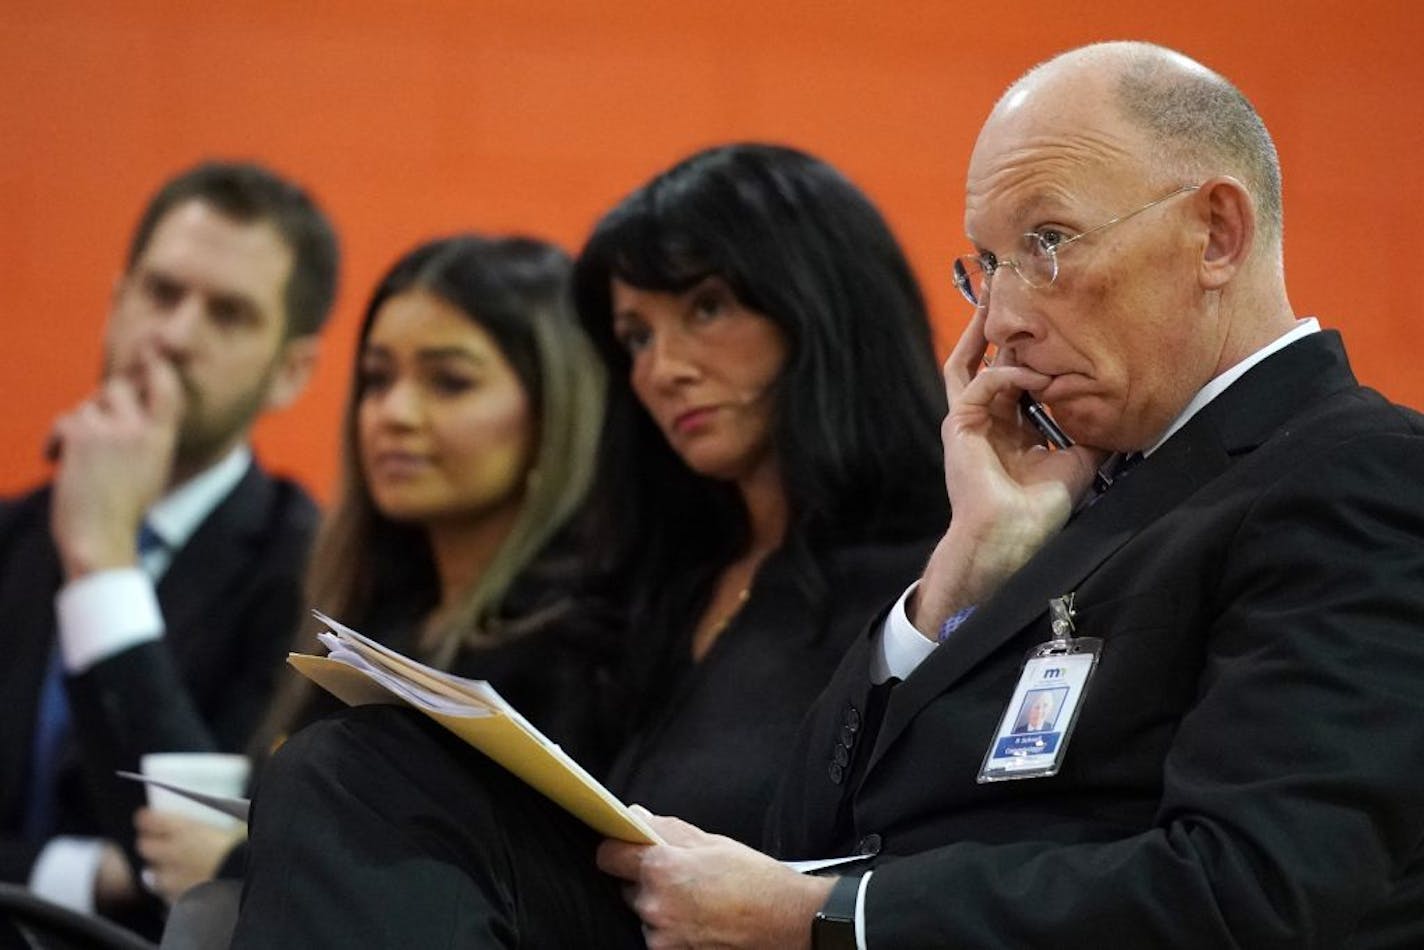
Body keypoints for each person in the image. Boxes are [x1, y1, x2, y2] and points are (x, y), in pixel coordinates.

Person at [592, 41, 1424, 948]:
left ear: (1216, 233)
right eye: (989, 265)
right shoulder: (1085, 493)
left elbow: (1249, 890)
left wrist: (824, 920)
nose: (1002, 319)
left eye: (1049, 243)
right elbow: (810, 834)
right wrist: (963, 573)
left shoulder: (1361, 473)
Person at [228, 142, 951, 946]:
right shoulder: (646, 584)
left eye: (706, 309)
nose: (665, 367)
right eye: (635, 338)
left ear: (822, 305)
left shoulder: (946, 575)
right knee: (346, 767)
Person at [132, 233, 609, 904]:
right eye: (377, 379)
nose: (394, 414)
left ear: (556, 411)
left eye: (450, 382)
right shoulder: (369, 611)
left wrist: (236, 865)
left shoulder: (582, 644)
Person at [0, 161, 338, 924]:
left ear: (291, 372)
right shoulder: (11, 535)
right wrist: (87, 874)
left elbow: (203, 869)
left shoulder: (313, 579)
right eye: (161, 293)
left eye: (229, 315)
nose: (176, 336)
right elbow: (142, 864)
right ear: (115, 305)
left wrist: (102, 561)